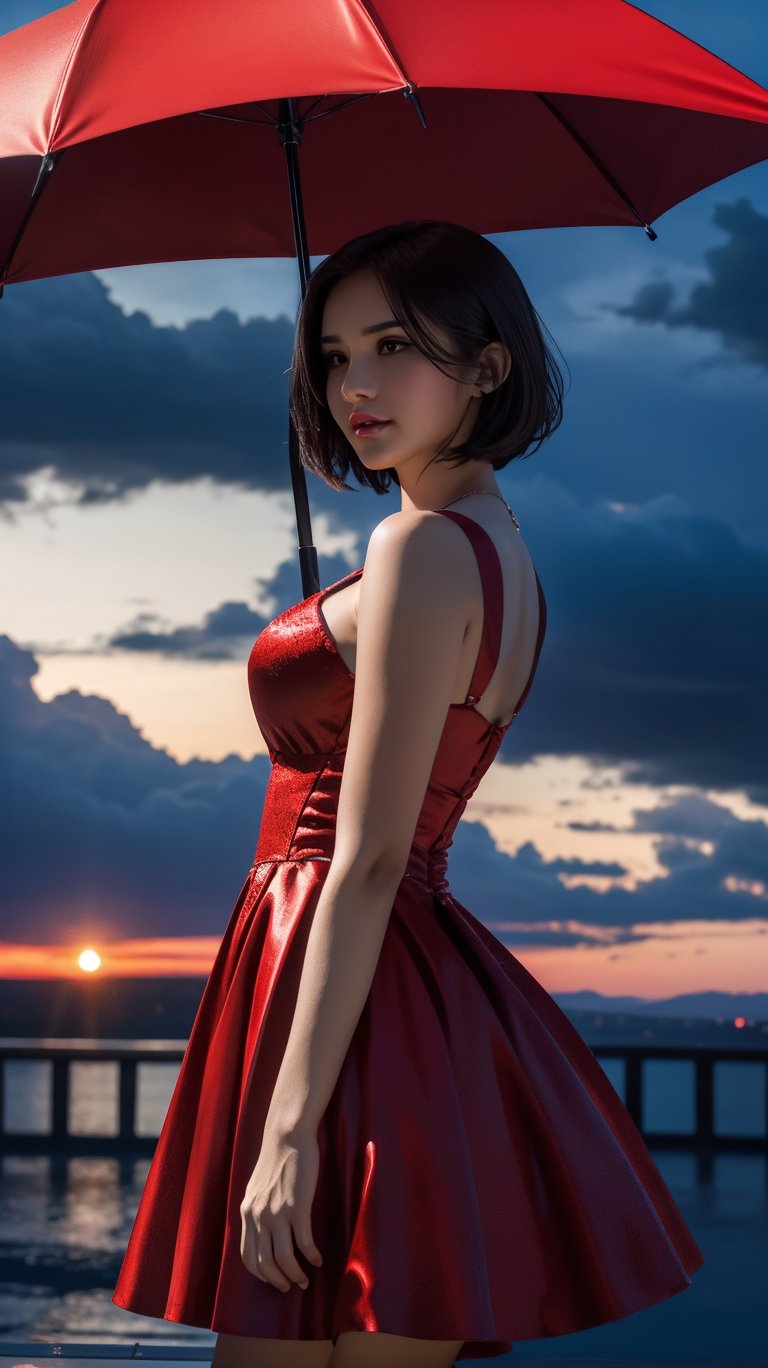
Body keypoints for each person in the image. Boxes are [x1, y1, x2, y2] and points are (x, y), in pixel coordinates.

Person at [112, 221, 704, 1368]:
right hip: (404, 996)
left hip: (343, 987)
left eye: (393, 345)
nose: (355, 385)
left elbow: (370, 855)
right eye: (334, 356)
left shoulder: (424, 550)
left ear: (491, 365)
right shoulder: (496, 550)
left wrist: (287, 1129)